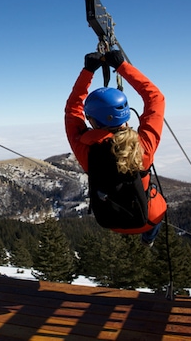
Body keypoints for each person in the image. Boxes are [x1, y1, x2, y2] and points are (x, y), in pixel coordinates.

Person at [65, 50, 166, 246]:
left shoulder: (85, 147)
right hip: (147, 219)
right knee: (159, 204)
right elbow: (155, 98)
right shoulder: (143, 146)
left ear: (93, 120)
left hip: (110, 220)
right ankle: (148, 239)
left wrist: (88, 71)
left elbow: (72, 110)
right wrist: (122, 66)